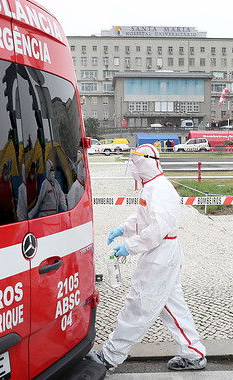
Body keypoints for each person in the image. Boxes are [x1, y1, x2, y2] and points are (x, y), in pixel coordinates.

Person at [86, 144, 206, 372]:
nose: (132, 166)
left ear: (146, 162)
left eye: (134, 162)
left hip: (160, 254)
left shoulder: (160, 189)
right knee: (172, 305)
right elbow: (143, 217)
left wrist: (129, 246)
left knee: (138, 304)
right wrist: (123, 229)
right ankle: (194, 353)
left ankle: (111, 356)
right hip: (161, 253)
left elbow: (157, 229)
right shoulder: (151, 187)